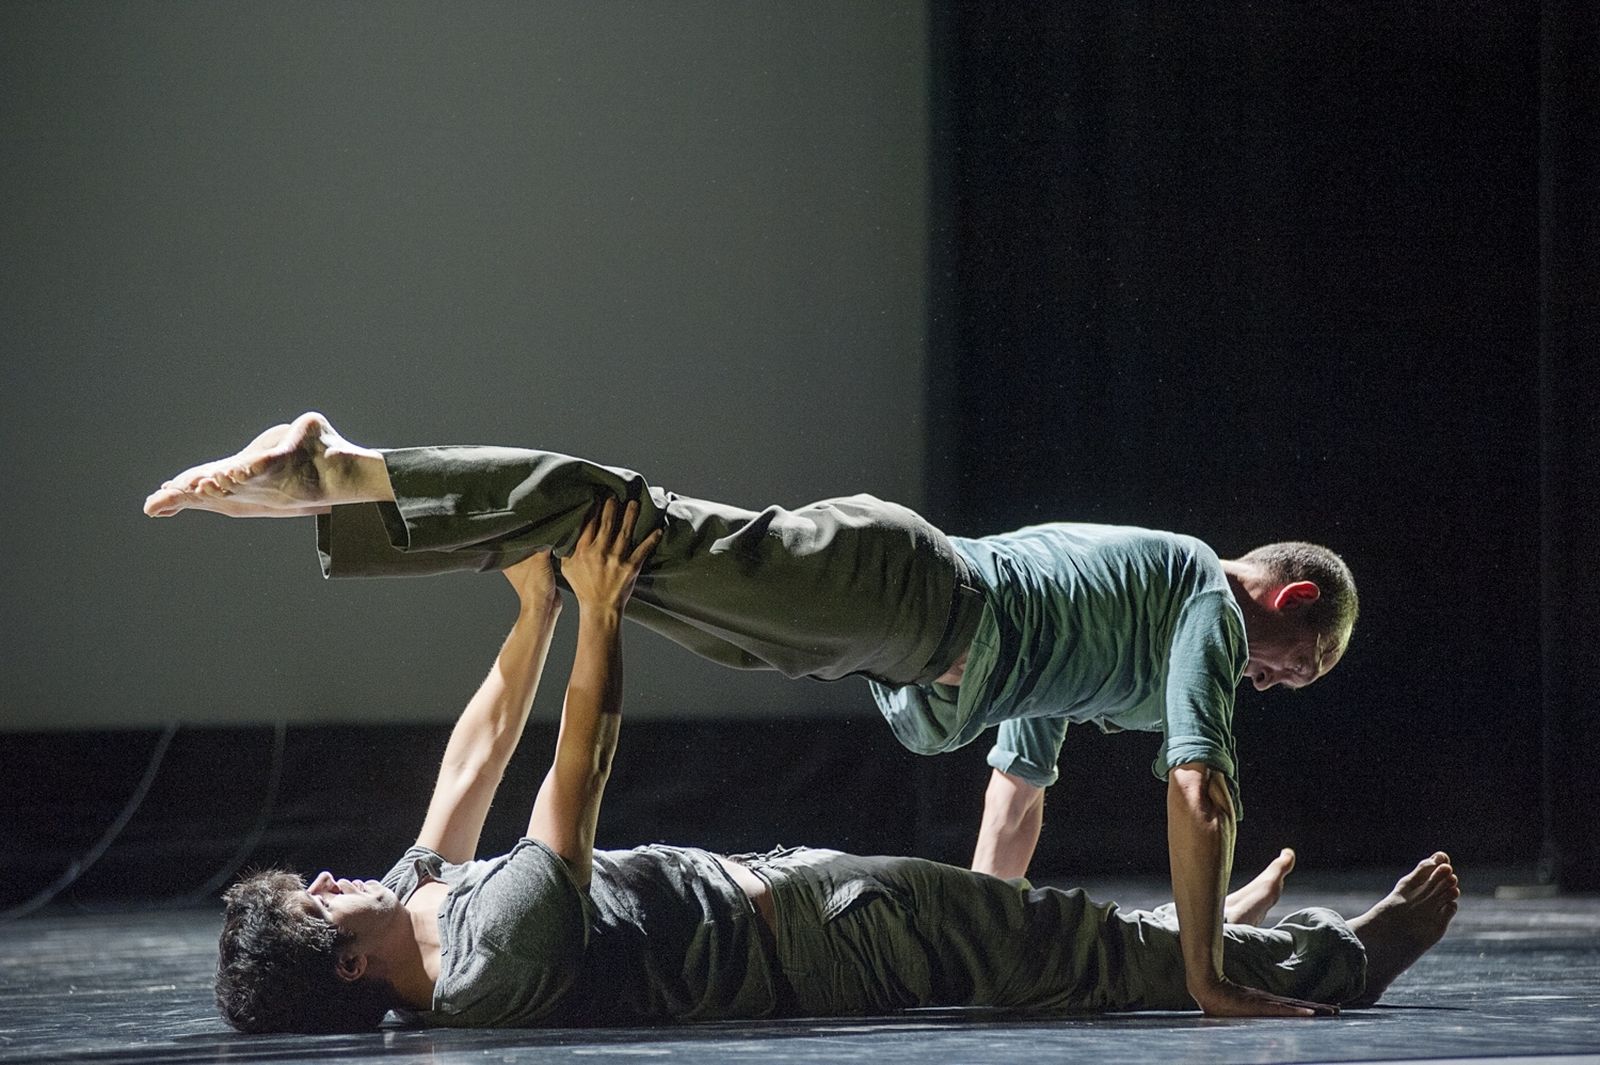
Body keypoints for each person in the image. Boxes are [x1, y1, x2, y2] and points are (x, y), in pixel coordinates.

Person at [150, 412, 1359, 1017]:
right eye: (1290, 669)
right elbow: (1201, 785)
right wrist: (1202, 969)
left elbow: (1016, 796)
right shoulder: (1199, 596)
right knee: (621, 518)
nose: (1264, 686)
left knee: (611, 538)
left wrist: (540, 612)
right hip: (906, 595)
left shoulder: (1101, 646)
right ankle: (341, 470)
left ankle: (354, 492)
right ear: (1290, 601)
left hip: (882, 635)